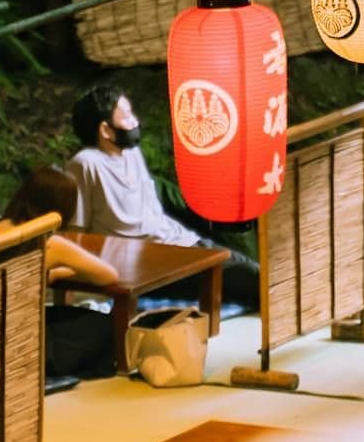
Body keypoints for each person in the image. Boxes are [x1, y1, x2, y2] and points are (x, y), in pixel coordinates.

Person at [66, 86, 259, 317]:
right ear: (105, 130)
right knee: (251, 278)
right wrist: (80, 285)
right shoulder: (85, 164)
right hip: (146, 259)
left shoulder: (131, 153)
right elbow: (77, 231)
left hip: (178, 243)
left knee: (250, 271)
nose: (135, 121)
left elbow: (152, 211)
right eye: (126, 116)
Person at [0, 167, 122, 384]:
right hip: (14, 342)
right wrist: (68, 267)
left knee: (64, 315)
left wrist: (53, 273)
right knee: (109, 327)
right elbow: (108, 276)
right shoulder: (47, 243)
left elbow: (3, 278)